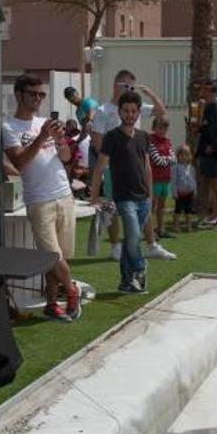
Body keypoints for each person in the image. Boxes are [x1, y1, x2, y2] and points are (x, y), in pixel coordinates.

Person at [3, 74, 82, 321]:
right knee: (51, 256)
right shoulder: (9, 127)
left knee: (60, 257)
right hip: (39, 199)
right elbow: (20, 163)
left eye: (41, 94)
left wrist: (59, 140)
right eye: (32, 94)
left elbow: (67, 157)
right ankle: (71, 291)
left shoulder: (44, 122)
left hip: (63, 194)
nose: (38, 99)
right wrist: (41, 137)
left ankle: (51, 303)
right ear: (18, 95)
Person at [91, 70, 175, 261]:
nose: (127, 89)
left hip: (137, 163)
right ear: (115, 85)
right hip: (113, 168)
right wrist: (112, 161)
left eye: (130, 86)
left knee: (143, 204)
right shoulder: (104, 111)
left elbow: (162, 113)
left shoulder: (135, 106)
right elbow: (97, 140)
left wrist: (149, 93)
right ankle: (115, 248)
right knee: (112, 207)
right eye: (124, 85)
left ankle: (152, 244)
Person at [89, 91, 153, 293]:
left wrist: (150, 196)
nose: (130, 115)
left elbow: (147, 167)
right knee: (133, 236)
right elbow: (100, 166)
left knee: (130, 242)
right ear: (119, 112)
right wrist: (93, 196)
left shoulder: (143, 137)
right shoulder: (111, 137)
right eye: (126, 111)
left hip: (143, 198)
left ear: (138, 113)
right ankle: (140, 269)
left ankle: (126, 281)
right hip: (124, 198)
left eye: (134, 111)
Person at [193, 79, 217, 229]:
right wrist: (195, 125)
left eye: (205, 90)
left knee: (216, 185)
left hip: (215, 153)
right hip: (206, 151)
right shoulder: (208, 107)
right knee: (206, 184)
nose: (201, 92)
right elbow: (204, 128)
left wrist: (213, 147)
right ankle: (209, 217)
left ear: (212, 91)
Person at [148, 115, 175, 239]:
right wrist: (167, 159)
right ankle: (150, 231)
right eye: (159, 127)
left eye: (165, 127)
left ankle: (161, 229)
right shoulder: (151, 141)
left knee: (162, 206)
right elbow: (156, 160)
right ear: (154, 127)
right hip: (154, 179)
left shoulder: (168, 141)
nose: (162, 130)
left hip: (166, 179)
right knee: (152, 206)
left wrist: (166, 159)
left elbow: (174, 159)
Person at [170, 144, 197, 233]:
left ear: (190, 156)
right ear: (178, 156)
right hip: (180, 193)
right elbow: (173, 181)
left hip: (189, 193)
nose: (184, 157)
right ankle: (176, 226)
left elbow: (193, 179)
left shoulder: (191, 167)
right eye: (181, 155)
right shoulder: (175, 168)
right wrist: (174, 192)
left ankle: (189, 226)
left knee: (189, 211)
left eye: (186, 155)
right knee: (178, 210)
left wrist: (194, 190)